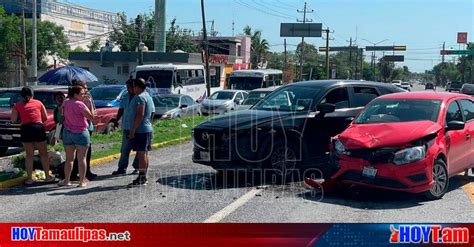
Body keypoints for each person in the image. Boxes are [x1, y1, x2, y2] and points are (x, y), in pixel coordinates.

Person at [11, 87, 55, 185]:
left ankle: (29, 179)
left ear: (21, 95)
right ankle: (48, 177)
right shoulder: (38, 103)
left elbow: (13, 120)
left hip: (26, 129)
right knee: (43, 153)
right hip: (38, 127)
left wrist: (21, 118)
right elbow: (45, 118)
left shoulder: (17, 105)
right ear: (32, 94)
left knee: (29, 155)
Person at [59, 86, 95, 187]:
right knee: (81, 158)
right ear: (75, 94)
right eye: (82, 93)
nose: (84, 95)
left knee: (69, 158)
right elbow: (91, 117)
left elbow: (62, 115)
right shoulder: (80, 104)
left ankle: (67, 180)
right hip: (80, 132)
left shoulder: (65, 102)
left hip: (68, 132)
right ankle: (82, 181)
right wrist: (90, 103)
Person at [127, 78, 155, 186]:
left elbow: (140, 114)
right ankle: (143, 175)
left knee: (142, 154)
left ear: (137, 87)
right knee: (144, 153)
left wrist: (133, 130)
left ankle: (142, 177)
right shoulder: (147, 95)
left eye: (133, 86)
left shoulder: (140, 97)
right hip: (146, 129)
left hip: (141, 130)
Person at [70, 80, 97, 180]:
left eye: (86, 88)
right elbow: (89, 114)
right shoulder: (76, 100)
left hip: (88, 127)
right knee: (78, 153)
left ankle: (87, 171)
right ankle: (75, 172)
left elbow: (93, 110)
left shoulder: (88, 97)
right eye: (84, 88)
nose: (86, 90)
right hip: (79, 128)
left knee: (87, 151)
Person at [112, 79, 139, 175]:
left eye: (129, 87)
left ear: (134, 87)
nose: (128, 89)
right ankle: (122, 168)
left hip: (138, 128)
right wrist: (116, 120)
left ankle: (137, 167)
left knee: (138, 149)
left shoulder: (140, 97)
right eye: (127, 87)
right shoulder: (125, 97)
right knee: (124, 149)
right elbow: (121, 109)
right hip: (127, 126)